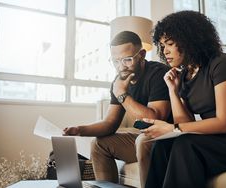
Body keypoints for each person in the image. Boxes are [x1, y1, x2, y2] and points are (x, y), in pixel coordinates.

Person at [141, 11, 226, 188]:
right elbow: (185, 124)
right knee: (163, 147)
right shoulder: (185, 75)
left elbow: (224, 123)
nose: (165, 51)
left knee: (186, 145)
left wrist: (171, 128)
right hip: (221, 141)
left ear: (190, 40)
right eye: (162, 45)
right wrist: (173, 91)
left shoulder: (221, 63)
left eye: (170, 43)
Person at [64, 31, 172, 188]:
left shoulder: (158, 73)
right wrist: (80, 130)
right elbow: (110, 123)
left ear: (141, 54)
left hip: (167, 138)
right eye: (115, 61)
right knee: (99, 144)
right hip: (144, 138)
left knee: (143, 141)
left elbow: (154, 119)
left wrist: (122, 94)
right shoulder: (119, 81)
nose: (121, 66)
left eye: (127, 60)